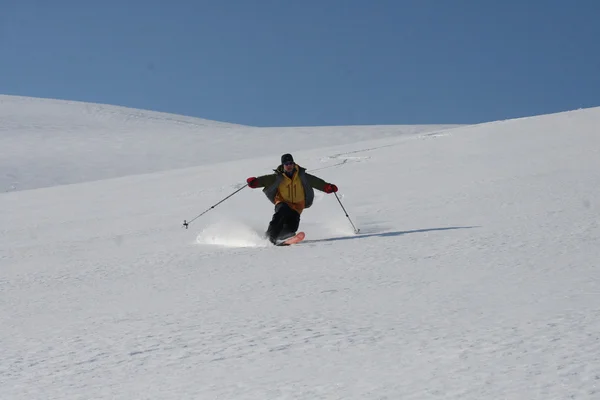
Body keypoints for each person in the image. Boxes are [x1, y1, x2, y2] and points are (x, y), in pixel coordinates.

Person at [246, 153, 338, 244]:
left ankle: (281, 237)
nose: (289, 166)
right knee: (281, 212)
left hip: (298, 206)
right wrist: (255, 182)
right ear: (283, 165)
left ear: (294, 164)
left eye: (290, 163)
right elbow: (264, 180)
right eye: (286, 164)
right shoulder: (278, 177)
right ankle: (270, 236)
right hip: (282, 201)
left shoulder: (302, 176)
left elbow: (316, 182)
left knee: (291, 227)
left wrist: (327, 187)